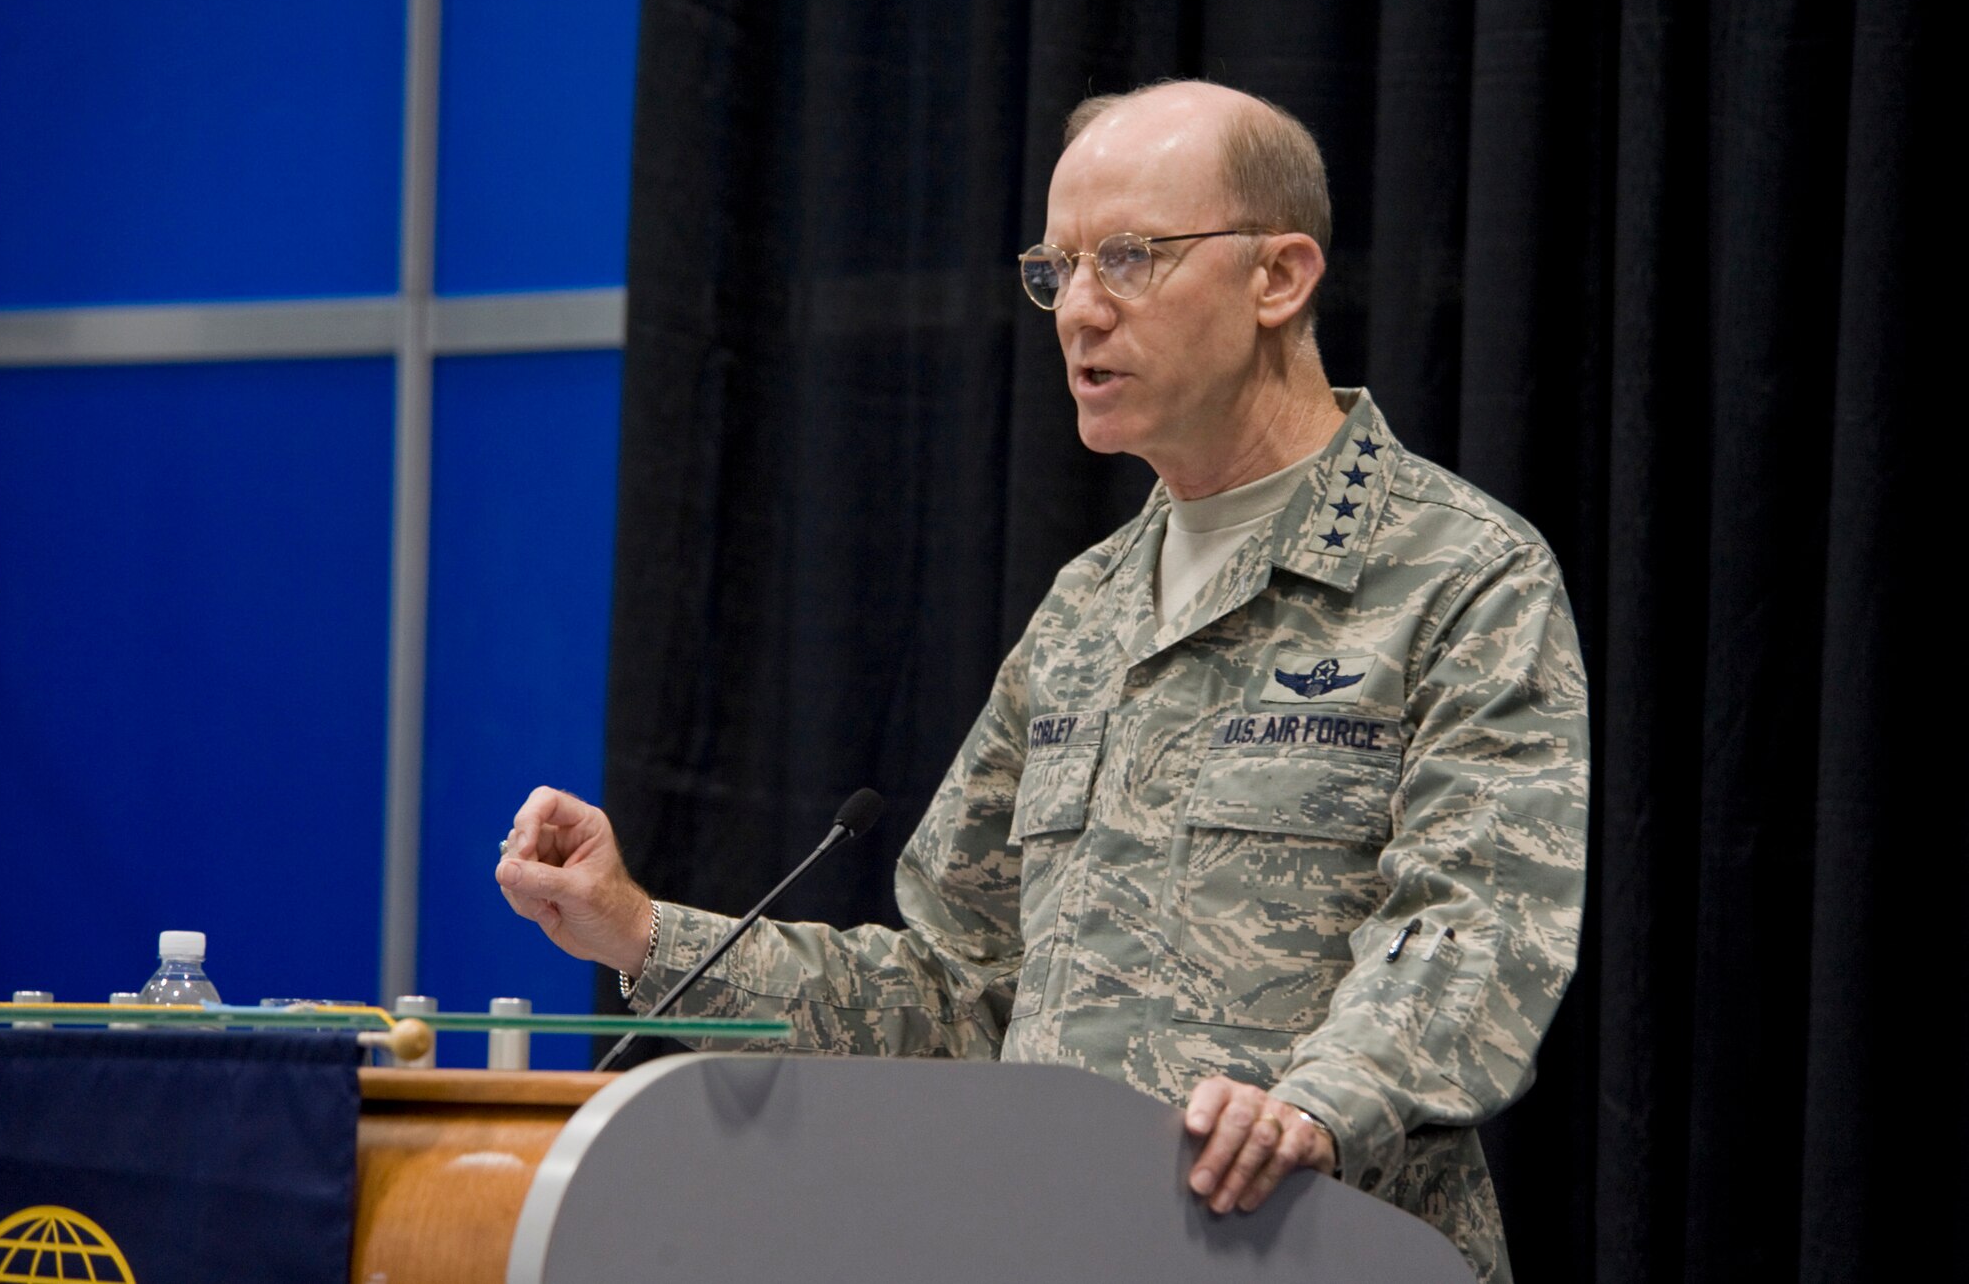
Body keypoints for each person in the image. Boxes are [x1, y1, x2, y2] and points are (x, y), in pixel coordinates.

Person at [496, 79, 1587, 1284]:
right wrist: (641, 928)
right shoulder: (1086, 607)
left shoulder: (1457, 571)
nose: (1077, 309)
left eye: (1126, 257)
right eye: (1055, 267)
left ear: (1278, 277)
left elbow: (1472, 925)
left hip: (1319, 1252)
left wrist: (1316, 1105)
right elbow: (955, 990)